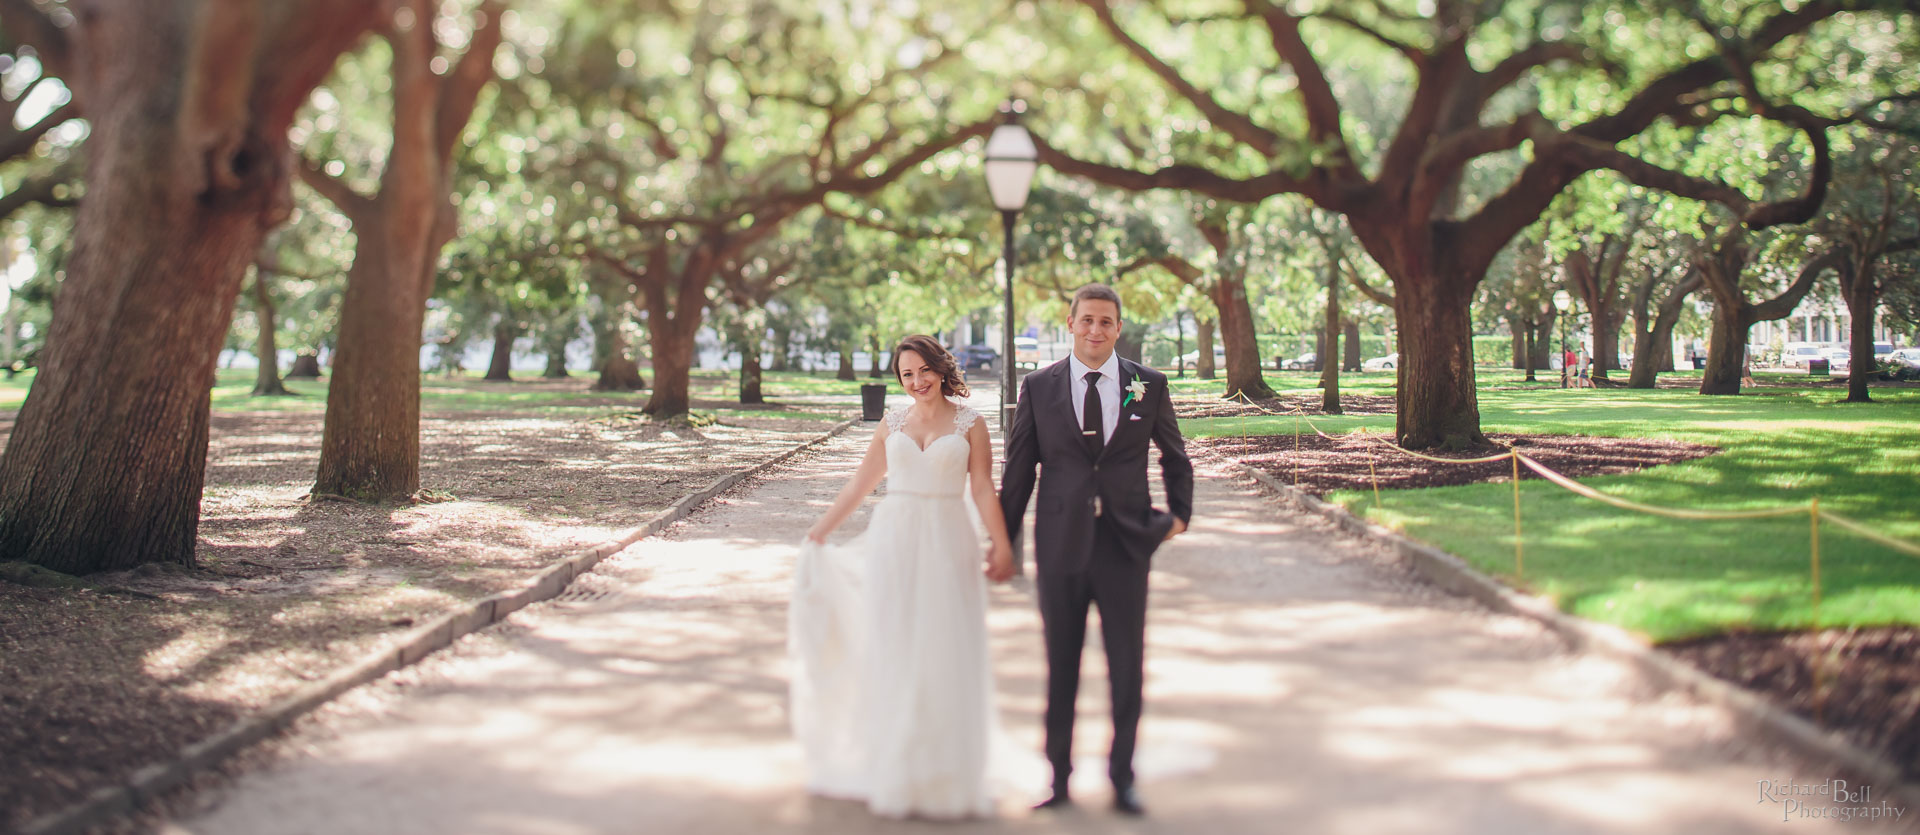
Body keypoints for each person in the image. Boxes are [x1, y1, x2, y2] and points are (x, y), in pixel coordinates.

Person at [792, 334, 1017, 819]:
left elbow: (981, 487)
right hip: (894, 540)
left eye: (923, 371)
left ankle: (946, 769)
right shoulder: (892, 422)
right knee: (895, 643)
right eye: (906, 375)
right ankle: (896, 762)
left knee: (944, 646)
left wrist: (1001, 544)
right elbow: (861, 482)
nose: (917, 382)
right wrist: (819, 532)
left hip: (948, 538)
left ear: (940, 367)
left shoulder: (971, 423)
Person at [999, 283, 1194, 817]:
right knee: (1060, 663)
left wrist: (1178, 516)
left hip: (1125, 548)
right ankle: (1058, 779)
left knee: (1126, 666)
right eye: (1087, 320)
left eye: (1106, 322)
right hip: (1060, 546)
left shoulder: (1147, 385)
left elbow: (1175, 457)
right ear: (1070, 324)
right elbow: (1017, 474)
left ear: (1118, 328)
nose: (1095, 330)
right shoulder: (1039, 387)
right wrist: (1002, 543)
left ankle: (1122, 778)